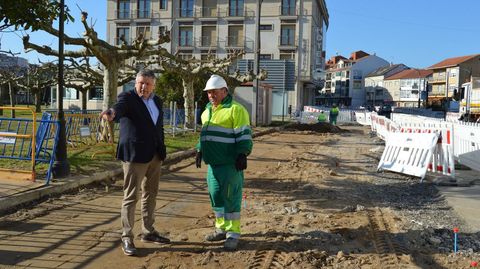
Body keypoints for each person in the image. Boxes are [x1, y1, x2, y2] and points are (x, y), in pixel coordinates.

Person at [100, 69, 170, 256]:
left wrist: (161, 147)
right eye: (141, 83)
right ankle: (127, 236)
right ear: (135, 83)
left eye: (148, 83)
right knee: (131, 196)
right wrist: (112, 113)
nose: (144, 87)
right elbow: (118, 107)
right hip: (135, 155)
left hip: (155, 155)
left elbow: (158, 127)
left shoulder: (157, 101)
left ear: (154, 85)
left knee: (151, 194)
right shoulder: (128, 97)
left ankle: (148, 231)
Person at [195, 74, 253, 251]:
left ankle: (233, 234)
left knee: (231, 198)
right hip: (213, 165)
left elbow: (244, 134)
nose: (211, 95)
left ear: (224, 91)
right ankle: (220, 228)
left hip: (230, 164)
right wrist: (199, 150)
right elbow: (205, 135)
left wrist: (242, 153)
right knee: (216, 196)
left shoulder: (236, 109)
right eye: (209, 92)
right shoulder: (207, 111)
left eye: (214, 92)